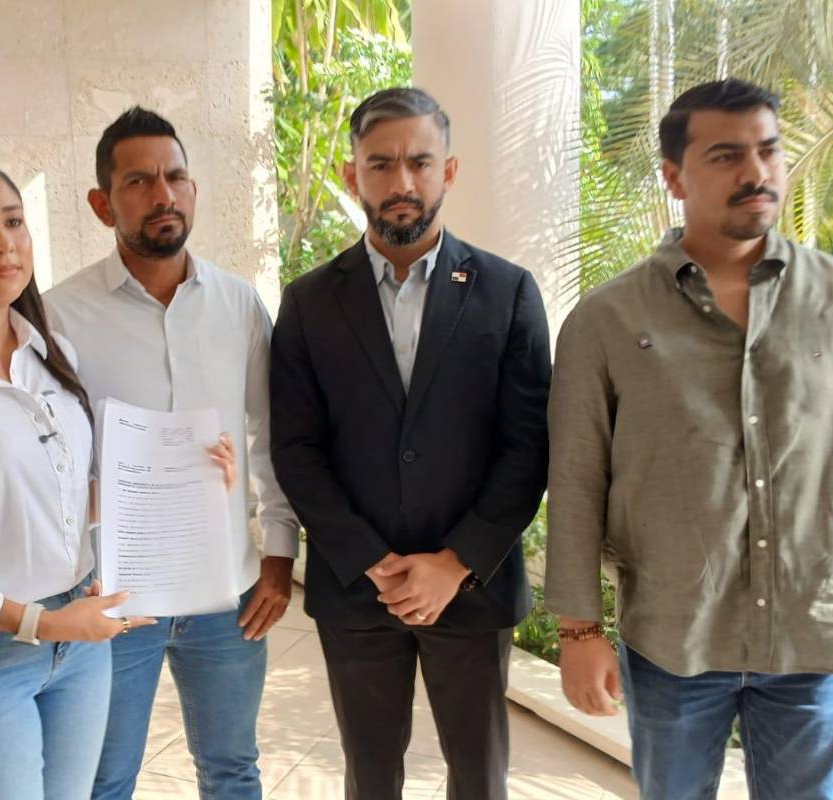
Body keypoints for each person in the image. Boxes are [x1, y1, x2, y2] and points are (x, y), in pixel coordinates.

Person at [0, 154, 235, 800]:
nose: (4, 243)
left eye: (14, 221)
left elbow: (61, 500)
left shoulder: (50, 355)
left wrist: (185, 482)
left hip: (77, 640)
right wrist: (40, 624)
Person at [546, 78, 833, 800]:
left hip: (812, 637)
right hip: (673, 641)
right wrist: (579, 632)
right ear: (674, 177)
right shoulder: (607, 320)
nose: (756, 172)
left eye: (768, 150)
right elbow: (576, 478)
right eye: (726, 155)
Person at [270, 87, 551, 800]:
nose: (402, 182)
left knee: (479, 780)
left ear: (448, 170)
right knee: (369, 779)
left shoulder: (508, 293)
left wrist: (455, 564)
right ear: (351, 174)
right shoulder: (307, 303)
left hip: (473, 588)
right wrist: (372, 561)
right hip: (357, 589)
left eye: (420, 162)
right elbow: (296, 449)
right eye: (381, 163)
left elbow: (527, 447)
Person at [44, 107, 301, 800]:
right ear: (102, 204)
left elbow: (269, 434)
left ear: (193, 189)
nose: (163, 195)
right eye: (138, 181)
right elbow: (45, 463)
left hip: (227, 595)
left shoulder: (240, 305)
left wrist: (279, 555)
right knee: (105, 780)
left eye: (176, 176)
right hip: (113, 600)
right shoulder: (58, 316)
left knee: (232, 770)